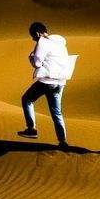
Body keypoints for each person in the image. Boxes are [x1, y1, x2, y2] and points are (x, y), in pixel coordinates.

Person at [19, 20, 77, 148]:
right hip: (60, 82)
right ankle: (62, 141)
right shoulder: (59, 42)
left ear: (38, 33)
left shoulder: (42, 43)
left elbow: (37, 63)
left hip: (47, 81)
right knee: (57, 112)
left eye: (33, 36)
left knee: (27, 99)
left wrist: (31, 58)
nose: (33, 39)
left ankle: (31, 129)